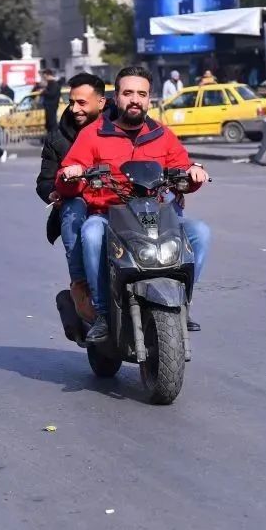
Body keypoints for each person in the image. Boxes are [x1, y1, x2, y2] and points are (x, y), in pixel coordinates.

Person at [56, 66, 211, 342]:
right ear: (116, 97)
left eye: (142, 94)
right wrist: (72, 174)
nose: (135, 100)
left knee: (200, 232)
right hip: (108, 216)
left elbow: (184, 170)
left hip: (156, 215)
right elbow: (66, 174)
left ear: (149, 99)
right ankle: (102, 314)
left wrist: (194, 174)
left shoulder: (162, 135)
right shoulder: (93, 134)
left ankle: (180, 305)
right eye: (128, 93)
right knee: (91, 233)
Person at [36, 73, 108, 322]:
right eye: (72, 102)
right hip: (76, 200)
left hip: (116, 200)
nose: (75, 108)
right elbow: (44, 181)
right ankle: (80, 285)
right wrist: (53, 192)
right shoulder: (58, 137)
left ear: (101, 103)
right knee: (72, 211)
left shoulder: (119, 127)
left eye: (82, 102)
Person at [41, 69, 62, 135]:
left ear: (48, 75)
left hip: (52, 106)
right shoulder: (50, 84)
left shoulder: (54, 84)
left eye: (45, 77)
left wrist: (44, 92)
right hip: (48, 106)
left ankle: (54, 138)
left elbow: (51, 94)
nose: (44, 79)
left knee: (52, 123)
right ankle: (51, 137)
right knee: (49, 123)